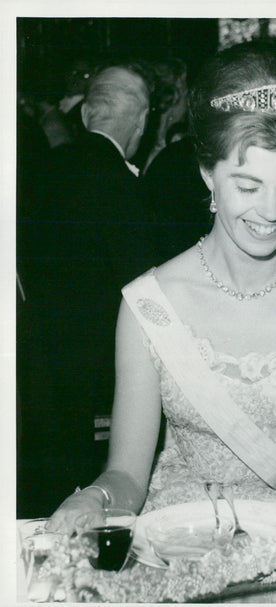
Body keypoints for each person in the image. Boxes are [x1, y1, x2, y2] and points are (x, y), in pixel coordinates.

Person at [48, 41, 276, 532]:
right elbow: (126, 473)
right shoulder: (150, 304)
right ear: (208, 173)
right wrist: (98, 498)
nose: (271, 212)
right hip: (185, 538)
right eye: (247, 186)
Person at [18, 63, 158, 518]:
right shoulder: (121, 184)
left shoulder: (42, 167)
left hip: (36, 361)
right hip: (98, 367)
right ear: (140, 124)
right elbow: (144, 287)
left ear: (84, 116)